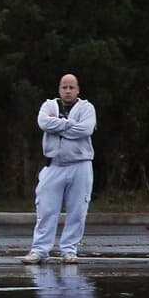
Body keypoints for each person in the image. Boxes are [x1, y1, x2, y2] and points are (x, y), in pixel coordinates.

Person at [22, 73, 96, 264]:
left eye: (72, 87)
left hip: (80, 164)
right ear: (59, 89)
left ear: (78, 89)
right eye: (65, 87)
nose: (68, 91)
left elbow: (85, 129)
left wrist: (58, 126)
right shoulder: (48, 105)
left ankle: (69, 250)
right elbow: (43, 123)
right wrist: (69, 125)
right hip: (54, 164)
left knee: (77, 211)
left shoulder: (86, 108)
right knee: (46, 209)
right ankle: (39, 250)